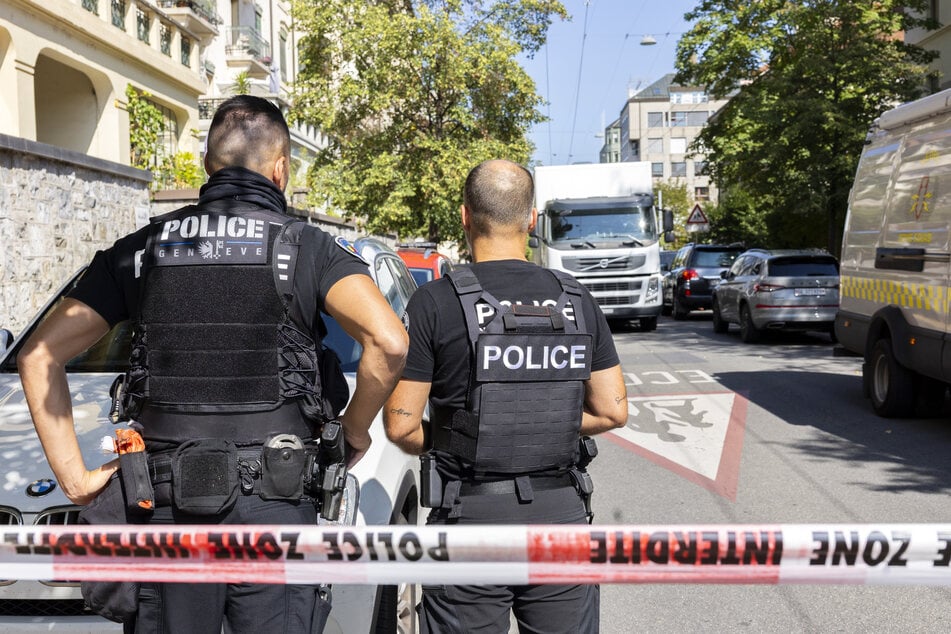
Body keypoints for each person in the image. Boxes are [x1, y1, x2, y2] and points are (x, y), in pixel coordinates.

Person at [17, 95, 408, 633]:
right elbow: (388, 341)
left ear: (207, 166)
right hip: (275, 501)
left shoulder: (141, 249)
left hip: (168, 510)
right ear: (281, 168)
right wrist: (354, 431)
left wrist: (77, 481)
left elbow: (38, 355)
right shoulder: (307, 247)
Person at [383, 159, 628, 633]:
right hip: (561, 519)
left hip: (470, 519)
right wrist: (545, 424)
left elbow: (401, 425)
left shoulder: (435, 302)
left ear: (465, 216)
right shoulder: (576, 299)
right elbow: (613, 410)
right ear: (531, 219)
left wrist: (470, 436)